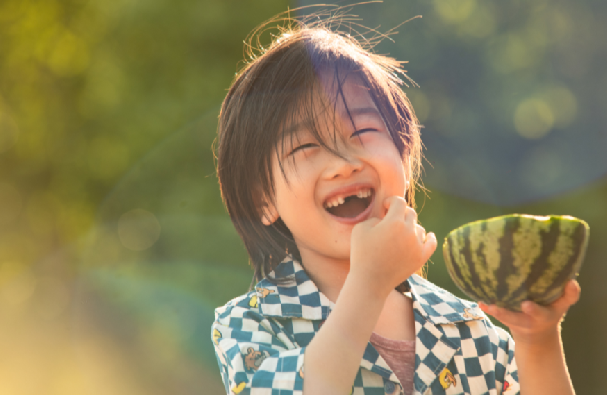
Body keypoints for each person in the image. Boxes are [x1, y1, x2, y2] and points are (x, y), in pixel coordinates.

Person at [211, 10, 580, 395]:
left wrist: (537, 341)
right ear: (263, 199)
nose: (343, 163)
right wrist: (367, 284)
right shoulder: (251, 325)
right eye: (305, 147)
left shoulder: (470, 328)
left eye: (362, 130)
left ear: (404, 156)